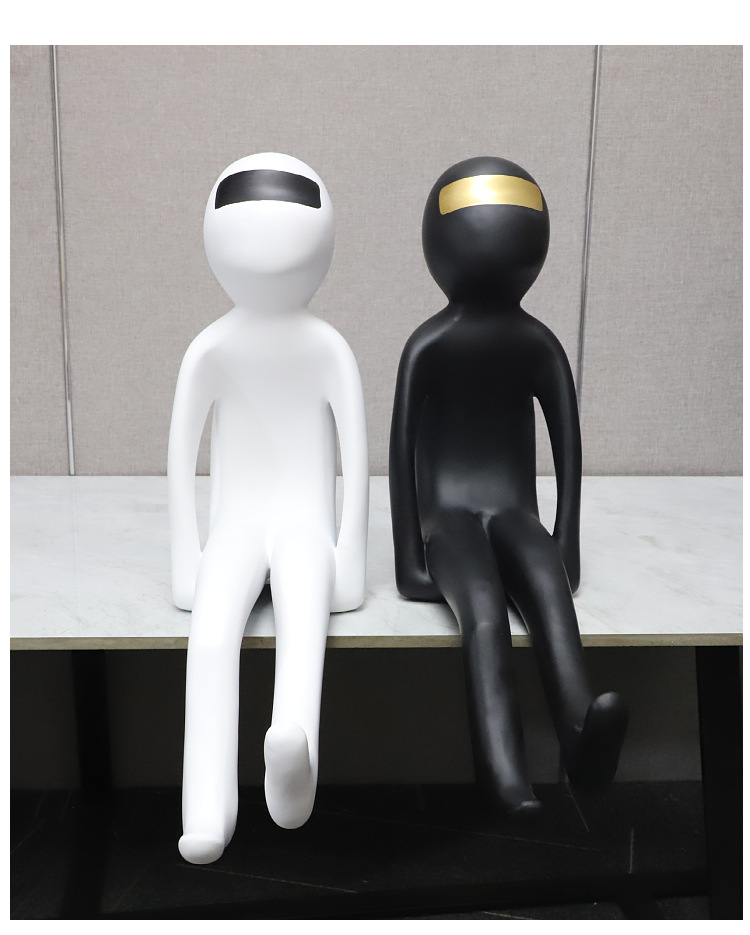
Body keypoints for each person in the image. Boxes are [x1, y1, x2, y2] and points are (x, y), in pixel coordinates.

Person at [389, 156, 627, 817]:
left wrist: (564, 543)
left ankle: (581, 736)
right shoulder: (429, 346)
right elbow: (400, 455)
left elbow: (567, 448)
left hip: (514, 509)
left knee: (549, 590)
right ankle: (505, 771)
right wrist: (411, 559)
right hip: (449, 518)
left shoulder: (537, 345)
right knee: (485, 611)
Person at [168, 153, 369, 863]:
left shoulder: (327, 348)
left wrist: (347, 559)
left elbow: (356, 462)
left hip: (304, 527)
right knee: (211, 639)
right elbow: (181, 458)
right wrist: (188, 559)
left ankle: (294, 762)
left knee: (303, 626)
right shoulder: (212, 349)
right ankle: (207, 807)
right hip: (236, 525)